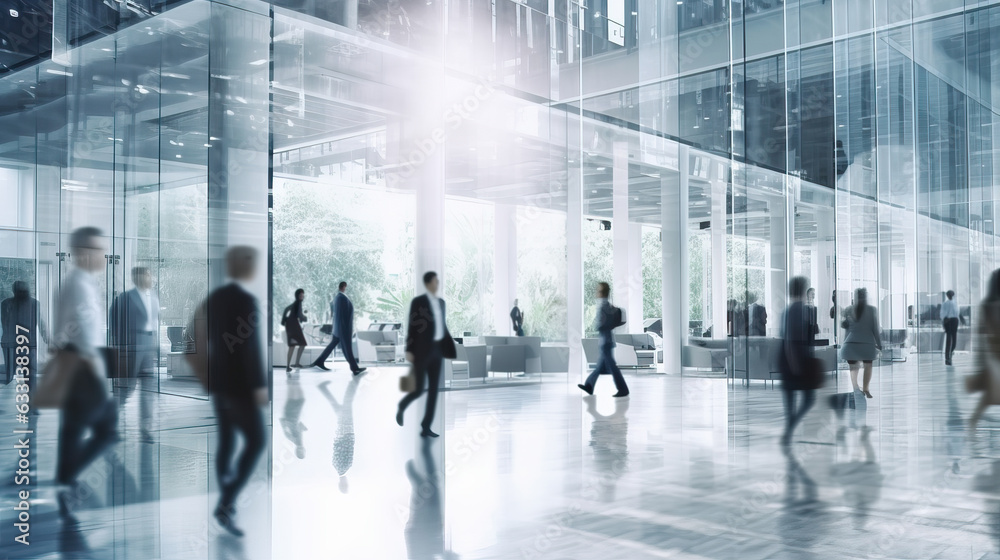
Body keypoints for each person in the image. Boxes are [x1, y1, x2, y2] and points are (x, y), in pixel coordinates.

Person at [205, 246, 269, 536]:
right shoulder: (246, 301)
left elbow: (204, 338)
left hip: (220, 382)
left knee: (227, 443)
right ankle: (226, 502)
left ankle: (226, 503)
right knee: (256, 441)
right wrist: (258, 385)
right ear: (241, 265)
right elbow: (249, 348)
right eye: (251, 261)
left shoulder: (215, 299)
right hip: (240, 386)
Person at [52, 227, 119, 487]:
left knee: (72, 428)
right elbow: (88, 338)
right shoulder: (80, 285)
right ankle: (68, 475)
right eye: (98, 249)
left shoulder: (75, 282)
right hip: (84, 367)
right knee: (108, 432)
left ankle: (65, 476)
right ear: (81, 252)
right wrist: (101, 380)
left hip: (71, 363)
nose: (103, 255)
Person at [396, 271, 456, 438]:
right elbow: (412, 327)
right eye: (436, 281)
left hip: (438, 351)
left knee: (434, 390)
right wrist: (409, 349)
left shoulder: (442, 303)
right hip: (421, 351)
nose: (438, 284)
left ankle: (426, 426)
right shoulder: (418, 302)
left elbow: (442, 325)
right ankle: (402, 405)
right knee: (419, 388)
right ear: (429, 283)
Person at [108, 266, 158, 442]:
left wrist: (155, 345)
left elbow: (154, 322)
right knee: (125, 389)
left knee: (148, 389)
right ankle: (111, 425)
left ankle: (146, 429)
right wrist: (120, 346)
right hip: (131, 347)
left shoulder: (153, 297)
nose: (151, 277)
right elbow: (114, 321)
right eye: (148, 274)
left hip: (148, 345)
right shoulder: (125, 298)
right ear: (138, 277)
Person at [777, 277, 817, 446]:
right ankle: (789, 430)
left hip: (787, 359)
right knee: (808, 399)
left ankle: (788, 430)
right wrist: (796, 364)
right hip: (797, 360)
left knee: (791, 402)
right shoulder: (800, 310)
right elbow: (794, 338)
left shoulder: (786, 310)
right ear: (802, 290)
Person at [577, 282, 629, 398]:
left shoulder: (605, 306)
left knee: (612, 367)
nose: (597, 292)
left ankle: (623, 389)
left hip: (606, 341)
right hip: (606, 340)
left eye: (599, 290)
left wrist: (599, 324)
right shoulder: (606, 305)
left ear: (603, 292)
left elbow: (603, 324)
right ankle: (589, 386)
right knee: (600, 367)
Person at [311, 282, 366, 375]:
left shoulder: (338, 298)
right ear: (343, 287)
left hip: (339, 328)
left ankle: (320, 361)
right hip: (342, 328)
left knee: (336, 346)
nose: (345, 288)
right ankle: (354, 368)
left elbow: (336, 314)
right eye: (345, 286)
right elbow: (340, 315)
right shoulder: (341, 298)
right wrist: (344, 329)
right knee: (347, 348)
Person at [1, 280, 46, 386]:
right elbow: (5, 323)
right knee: (11, 375)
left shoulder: (34, 303)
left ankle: (32, 399)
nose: (22, 293)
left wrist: (45, 335)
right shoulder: (7, 304)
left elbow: (40, 321)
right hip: (14, 344)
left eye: (23, 291)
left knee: (29, 376)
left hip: (25, 344)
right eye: (20, 291)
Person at [971, 270, 1000, 429]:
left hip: (993, 353)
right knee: (990, 395)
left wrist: (980, 362)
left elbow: (980, 334)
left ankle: (973, 421)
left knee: (989, 395)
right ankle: (973, 421)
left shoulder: (986, 305)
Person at [840, 288, 881, 399]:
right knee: (868, 365)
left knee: (854, 367)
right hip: (867, 344)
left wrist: (844, 343)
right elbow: (875, 329)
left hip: (851, 344)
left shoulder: (849, 309)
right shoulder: (872, 310)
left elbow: (847, 330)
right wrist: (879, 344)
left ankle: (856, 388)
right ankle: (866, 389)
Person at [281, 289, 308, 373]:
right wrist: (305, 318)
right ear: (297, 296)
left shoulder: (296, 303)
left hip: (291, 324)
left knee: (294, 345)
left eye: (302, 295)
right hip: (293, 325)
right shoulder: (298, 303)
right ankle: (294, 364)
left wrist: (284, 320)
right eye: (300, 295)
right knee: (301, 344)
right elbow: (299, 315)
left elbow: (286, 309)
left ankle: (289, 366)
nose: (302, 297)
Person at [942, 290, 959, 366]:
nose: (950, 296)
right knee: (949, 340)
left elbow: (957, 312)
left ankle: (950, 354)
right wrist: (945, 322)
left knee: (954, 341)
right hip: (948, 321)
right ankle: (947, 357)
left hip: (954, 320)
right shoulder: (945, 304)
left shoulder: (955, 303)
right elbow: (943, 314)